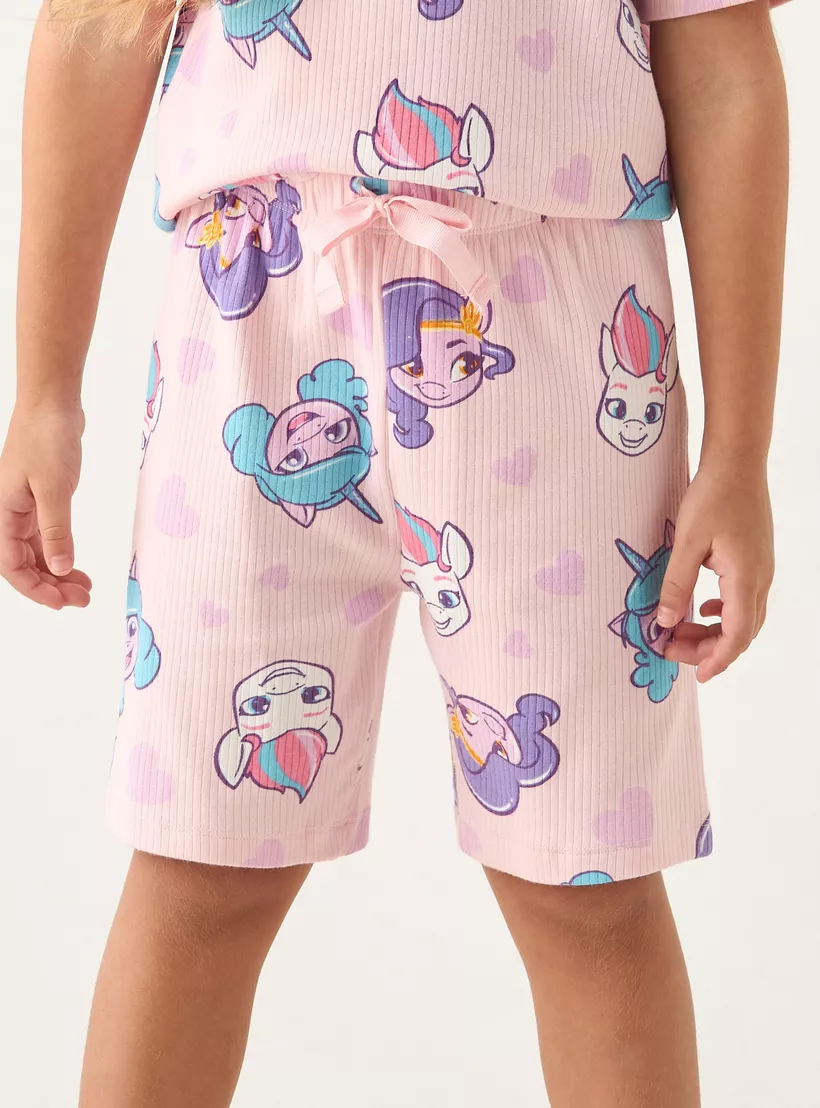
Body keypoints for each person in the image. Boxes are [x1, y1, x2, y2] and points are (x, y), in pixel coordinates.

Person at [0, 1, 791, 1104]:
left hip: (561, 331)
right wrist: (44, 389)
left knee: (588, 887)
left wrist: (741, 450)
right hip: (247, 315)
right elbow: (94, 29)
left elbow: (724, 71)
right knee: (199, 862)